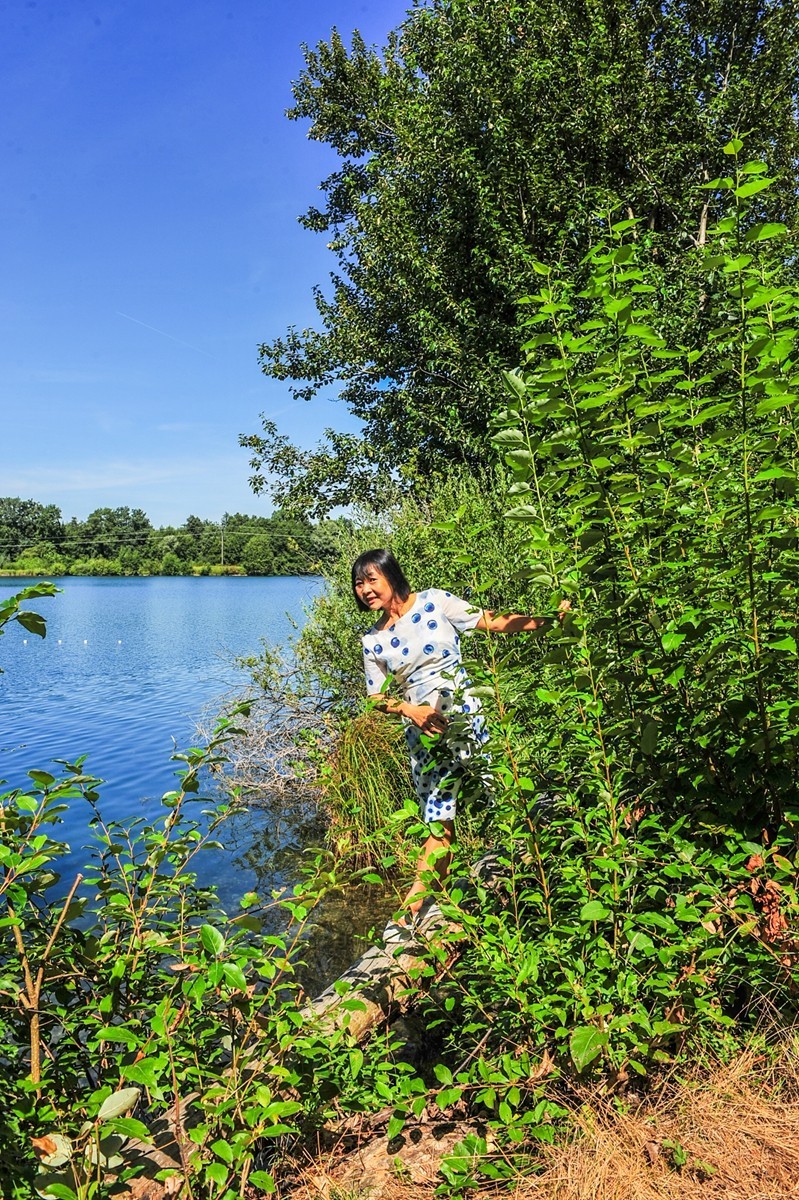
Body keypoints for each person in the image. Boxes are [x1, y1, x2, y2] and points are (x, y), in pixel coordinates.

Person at [352, 548, 570, 936]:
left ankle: (553, 869)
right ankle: (412, 915)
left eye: (371, 580)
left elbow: (492, 622)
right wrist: (409, 710)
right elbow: (375, 698)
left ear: (391, 576)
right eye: (358, 584)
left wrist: (548, 621)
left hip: (467, 718)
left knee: (506, 793)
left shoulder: (436, 602)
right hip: (426, 736)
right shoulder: (373, 641)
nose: (365, 589)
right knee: (439, 821)